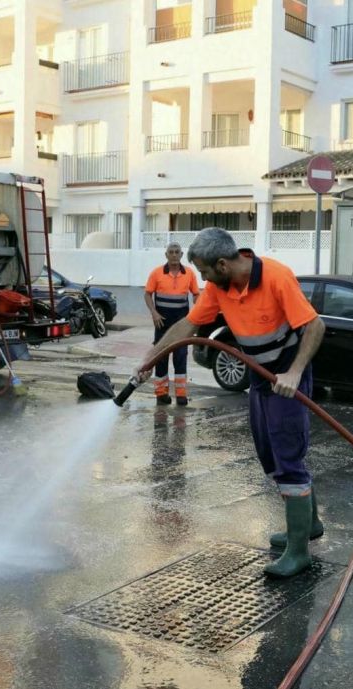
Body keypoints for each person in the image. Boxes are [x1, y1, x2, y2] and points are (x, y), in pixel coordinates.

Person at [135, 228, 326, 578]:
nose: (202, 280)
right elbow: (189, 325)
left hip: (285, 377)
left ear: (222, 264)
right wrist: (152, 355)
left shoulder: (276, 277)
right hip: (259, 377)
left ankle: (299, 553)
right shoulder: (220, 288)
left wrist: (295, 372)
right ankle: (308, 525)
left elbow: (315, 326)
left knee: (288, 459)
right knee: (269, 454)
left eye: (205, 272)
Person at [144, 243, 200, 405]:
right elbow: (147, 295)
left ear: (182, 255)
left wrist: (202, 306)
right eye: (171, 252)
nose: (174, 255)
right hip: (162, 322)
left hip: (182, 324)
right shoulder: (156, 273)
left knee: (180, 357)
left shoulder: (189, 273)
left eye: (177, 252)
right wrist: (154, 313)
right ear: (166, 255)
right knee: (160, 357)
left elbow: (196, 294)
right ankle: (161, 394)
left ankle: (181, 395)